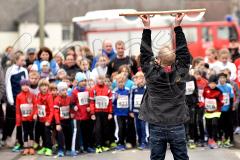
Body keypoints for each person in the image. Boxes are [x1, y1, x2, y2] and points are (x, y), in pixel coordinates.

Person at [139, 13, 191, 160]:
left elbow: (145, 53)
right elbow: (183, 53)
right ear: (174, 60)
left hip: (157, 124)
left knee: (157, 158)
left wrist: (147, 27)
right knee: (181, 158)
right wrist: (177, 26)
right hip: (177, 124)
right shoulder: (181, 72)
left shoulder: (151, 73)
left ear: (158, 60)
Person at [4, 51, 28, 152]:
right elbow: (8, 86)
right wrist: (11, 101)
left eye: (24, 60)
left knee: (23, 122)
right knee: (13, 122)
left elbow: (27, 84)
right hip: (13, 100)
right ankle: (9, 140)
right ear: (16, 60)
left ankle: (22, 142)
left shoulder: (24, 70)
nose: (23, 62)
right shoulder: (10, 70)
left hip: (23, 100)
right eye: (21, 60)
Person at [71, 72, 94, 154]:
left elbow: (90, 101)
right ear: (78, 82)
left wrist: (89, 108)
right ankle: (75, 148)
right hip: (78, 116)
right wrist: (74, 107)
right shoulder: (74, 92)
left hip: (86, 115)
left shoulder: (88, 90)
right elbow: (72, 103)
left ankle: (86, 147)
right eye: (82, 81)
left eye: (85, 80)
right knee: (77, 132)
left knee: (87, 132)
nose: (84, 82)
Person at [89, 76, 113, 153]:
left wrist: (110, 113)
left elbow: (110, 103)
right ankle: (98, 145)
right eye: (99, 79)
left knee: (105, 129)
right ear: (96, 80)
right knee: (98, 129)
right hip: (97, 112)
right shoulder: (93, 89)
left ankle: (104, 145)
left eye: (102, 79)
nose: (100, 80)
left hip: (105, 112)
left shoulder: (108, 90)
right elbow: (92, 102)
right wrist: (92, 113)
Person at [15, 79, 37, 155]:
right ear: (21, 86)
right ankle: (26, 147)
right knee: (25, 132)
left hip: (31, 118)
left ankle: (31, 147)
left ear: (29, 86)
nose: (25, 87)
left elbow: (35, 106)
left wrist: (34, 114)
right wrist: (18, 121)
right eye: (23, 85)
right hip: (23, 119)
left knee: (31, 132)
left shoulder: (32, 95)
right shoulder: (18, 96)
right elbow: (18, 109)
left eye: (27, 85)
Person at [203, 75, 223, 149]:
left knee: (214, 124)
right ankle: (210, 138)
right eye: (211, 83)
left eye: (214, 83)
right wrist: (203, 104)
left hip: (216, 111)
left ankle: (214, 139)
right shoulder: (206, 89)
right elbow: (203, 97)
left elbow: (221, 101)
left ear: (216, 83)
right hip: (208, 111)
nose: (212, 85)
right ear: (209, 83)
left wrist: (220, 102)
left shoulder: (219, 91)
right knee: (208, 125)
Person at [54, 82, 73, 157]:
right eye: (63, 90)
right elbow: (56, 112)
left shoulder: (69, 98)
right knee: (60, 136)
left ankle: (68, 149)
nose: (65, 91)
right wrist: (58, 123)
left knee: (69, 134)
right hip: (61, 121)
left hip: (68, 120)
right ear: (59, 91)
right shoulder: (57, 100)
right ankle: (60, 149)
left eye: (66, 90)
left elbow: (71, 106)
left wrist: (72, 112)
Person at [130, 71, 148, 150]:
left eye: (141, 78)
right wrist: (131, 110)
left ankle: (144, 141)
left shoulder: (146, 88)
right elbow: (131, 99)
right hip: (135, 112)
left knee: (144, 127)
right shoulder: (133, 89)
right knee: (137, 127)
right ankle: (140, 141)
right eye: (137, 78)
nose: (139, 79)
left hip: (144, 112)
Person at [36, 79, 54, 156]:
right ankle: (44, 146)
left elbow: (52, 110)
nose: (44, 87)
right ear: (39, 87)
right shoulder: (38, 95)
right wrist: (35, 114)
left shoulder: (49, 96)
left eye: (46, 85)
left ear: (48, 87)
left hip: (47, 119)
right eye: (42, 86)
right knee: (40, 133)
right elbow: (37, 107)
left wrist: (49, 120)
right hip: (40, 118)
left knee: (47, 134)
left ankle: (49, 148)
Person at [112, 74, 130, 151]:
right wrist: (115, 98)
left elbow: (130, 101)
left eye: (122, 82)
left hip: (125, 113)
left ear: (125, 82)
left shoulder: (127, 91)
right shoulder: (115, 91)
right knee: (120, 128)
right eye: (119, 82)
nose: (121, 83)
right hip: (118, 113)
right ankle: (119, 143)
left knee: (125, 128)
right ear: (116, 83)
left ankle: (123, 142)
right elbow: (112, 102)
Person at [217, 73, 234, 147]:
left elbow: (231, 98)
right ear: (218, 79)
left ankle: (228, 139)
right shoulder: (217, 87)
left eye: (223, 78)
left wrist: (231, 107)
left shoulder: (229, 87)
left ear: (226, 79)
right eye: (220, 78)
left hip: (228, 109)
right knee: (220, 125)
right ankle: (220, 139)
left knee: (229, 125)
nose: (222, 79)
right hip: (219, 109)